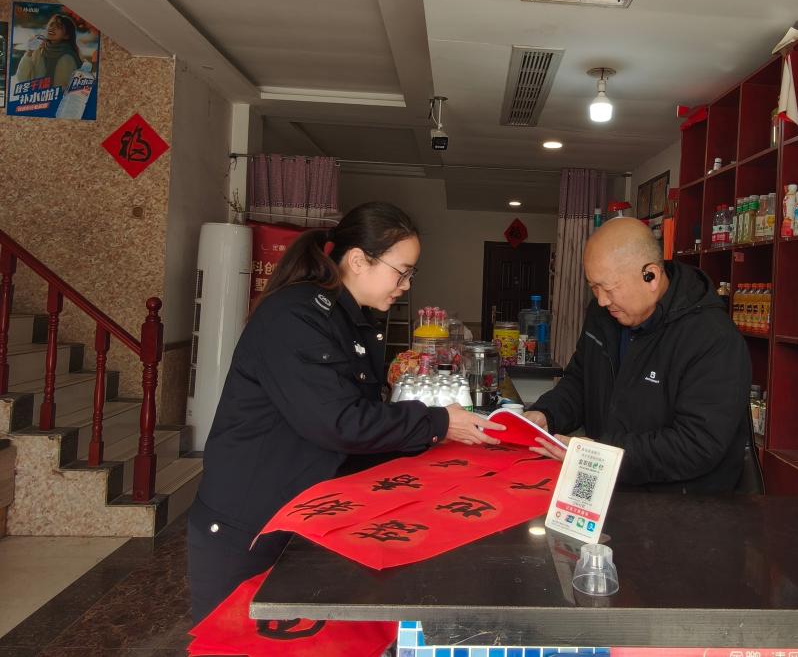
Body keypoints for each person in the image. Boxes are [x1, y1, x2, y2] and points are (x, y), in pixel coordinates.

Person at [188, 201, 503, 621]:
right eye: (401, 271)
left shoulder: (347, 319)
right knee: (237, 642)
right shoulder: (296, 317)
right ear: (357, 260)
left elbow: (358, 418)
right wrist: (438, 422)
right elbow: (338, 422)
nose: (406, 284)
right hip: (248, 524)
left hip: (299, 512)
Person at [525, 217, 750, 492]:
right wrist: (546, 415)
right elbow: (581, 382)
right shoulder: (602, 315)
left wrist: (603, 455)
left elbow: (697, 443)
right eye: (594, 287)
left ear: (650, 276)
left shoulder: (712, 337)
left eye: (609, 288)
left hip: (680, 504)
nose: (602, 300)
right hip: (608, 486)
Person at [12, 13, 83, 92]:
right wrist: (29, 52)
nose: (52, 28)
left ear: (66, 36)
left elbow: (67, 91)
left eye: (58, 27)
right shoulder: (39, 51)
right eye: (51, 25)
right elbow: (22, 79)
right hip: (36, 97)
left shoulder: (68, 58)